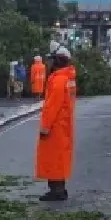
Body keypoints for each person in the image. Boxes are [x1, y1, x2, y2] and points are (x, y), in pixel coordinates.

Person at [34, 44, 77, 202]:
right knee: (60, 158)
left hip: (55, 127)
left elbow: (52, 106)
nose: (50, 63)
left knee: (54, 159)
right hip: (63, 125)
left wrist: (45, 127)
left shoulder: (59, 79)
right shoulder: (68, 78)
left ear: (58, 61)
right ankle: (60, 188)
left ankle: (56, 190)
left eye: (52, 60)